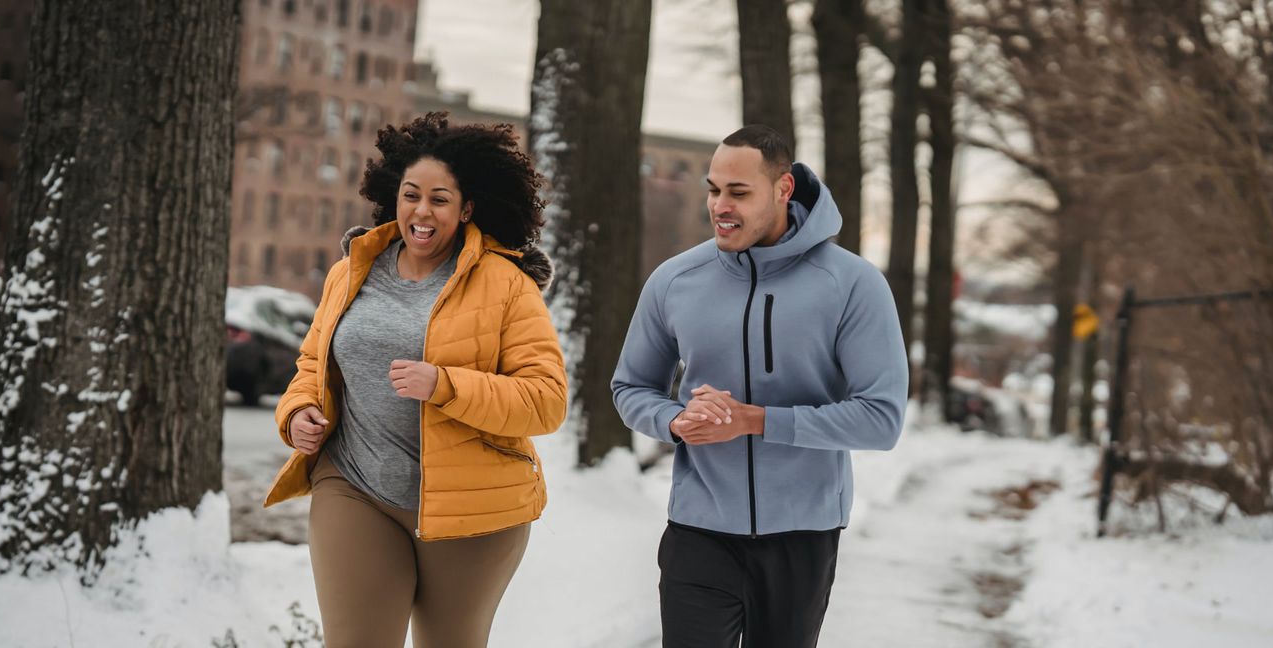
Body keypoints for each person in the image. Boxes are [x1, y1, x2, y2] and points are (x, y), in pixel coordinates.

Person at [263, 112, 567, 648]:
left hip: (471, 511)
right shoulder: (353, 269)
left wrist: (446, 386)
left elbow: (546, 401)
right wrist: (298, 412)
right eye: (411, 195)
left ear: (467, 208)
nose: (421, 212)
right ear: (393, 197)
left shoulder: (507, 285)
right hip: (355, 484)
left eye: (440, 199)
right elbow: (312, 364)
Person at [612, 124, 909, 647]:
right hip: (699, 529)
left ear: (783, 190)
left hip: (802, 535)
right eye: (714, 189)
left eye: (739, 192)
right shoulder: (675, 280)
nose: (720, 206)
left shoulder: (852, 285)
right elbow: (631, 387)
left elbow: (881, 419)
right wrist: (674, 421)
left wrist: (758, 421)